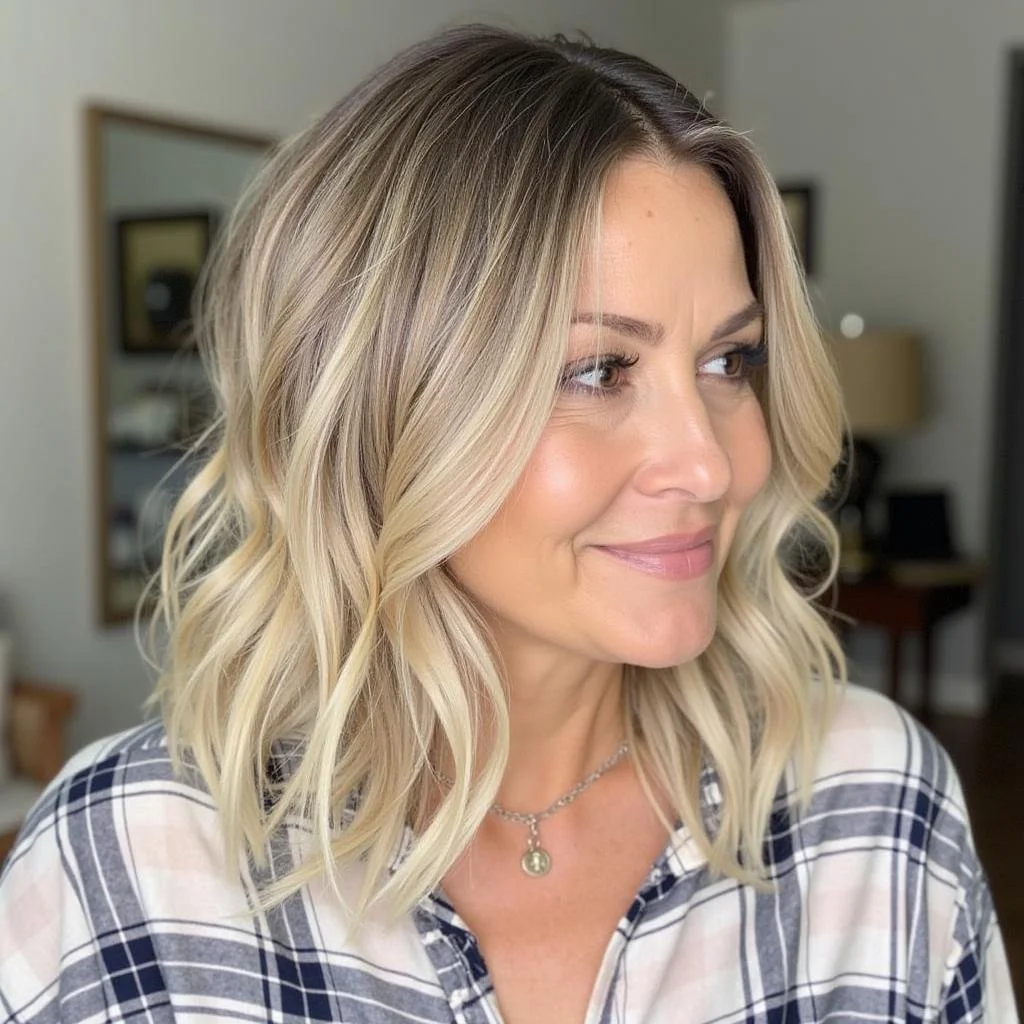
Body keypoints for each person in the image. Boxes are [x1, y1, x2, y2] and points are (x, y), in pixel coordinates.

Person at [0, 24, 1015, 1024]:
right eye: (598, 370)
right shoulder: (124, 868)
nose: (710, 463)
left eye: (727, 361)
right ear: (386, 411)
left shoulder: (872, 804)